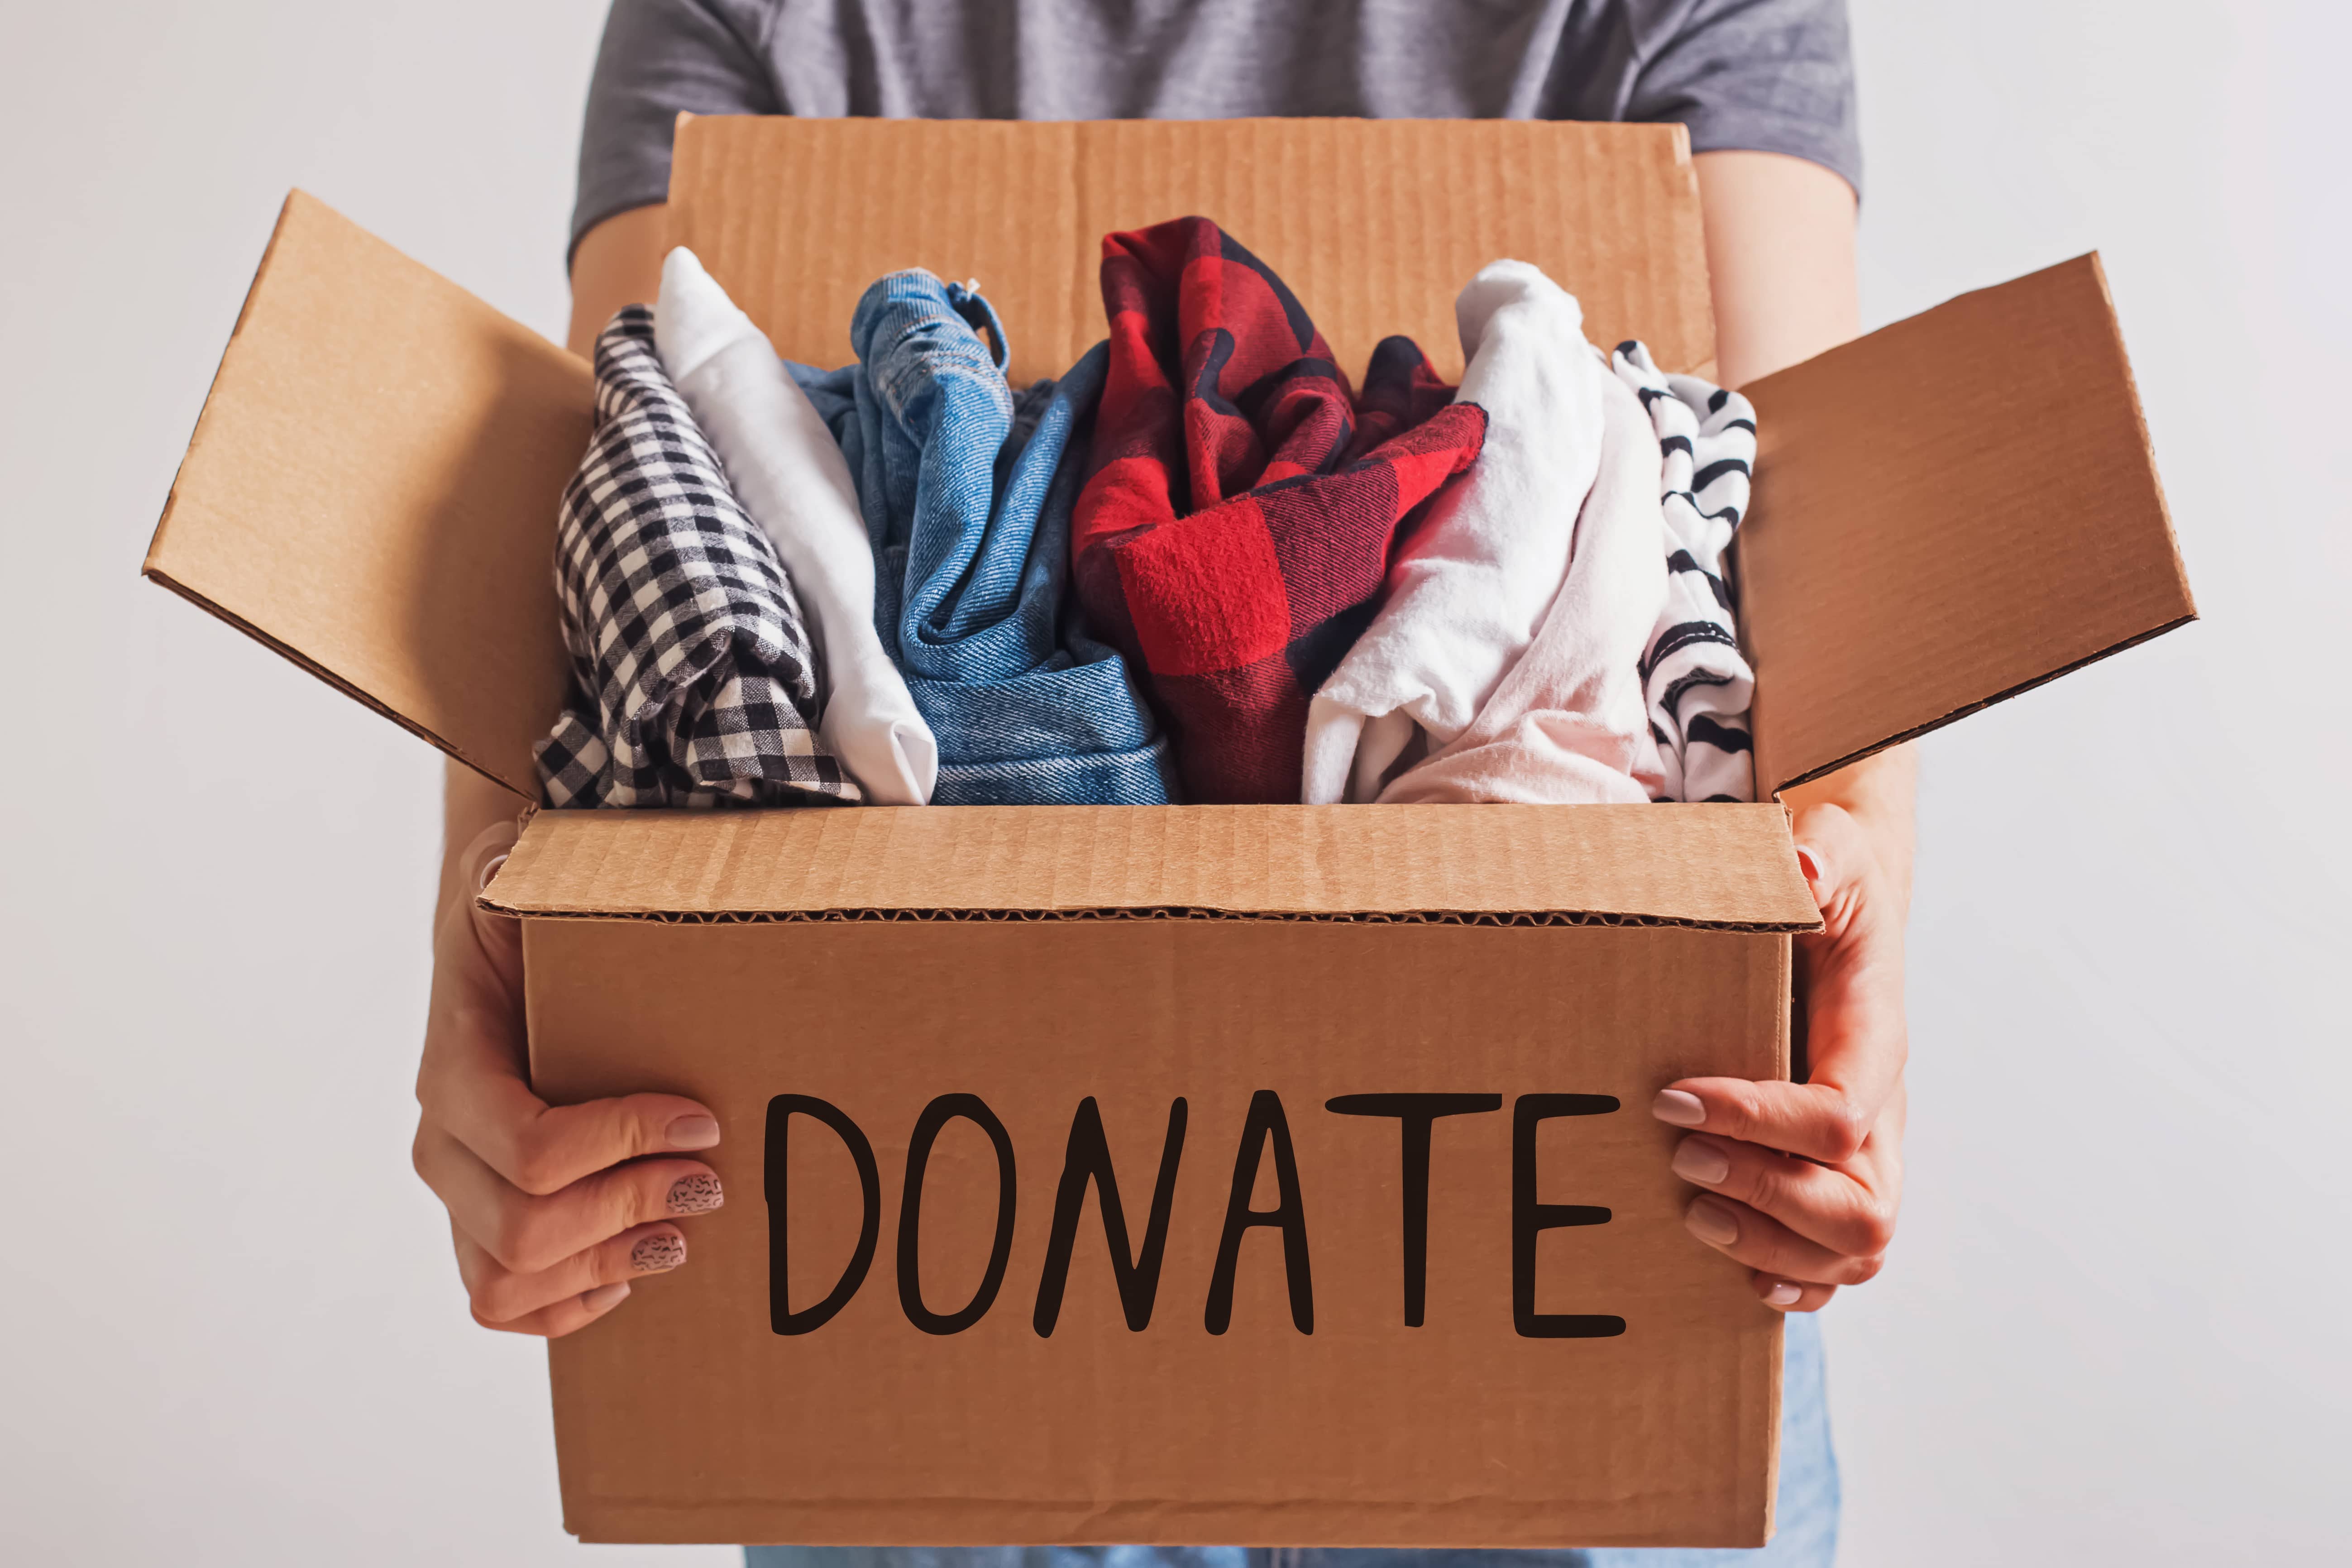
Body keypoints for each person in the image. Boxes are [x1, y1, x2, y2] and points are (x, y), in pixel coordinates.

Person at [411, 4, 1912, 1563]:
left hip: (1574, 1225)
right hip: (936, 1252)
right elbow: (604, 527)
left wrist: (1855, 926)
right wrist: (491, 985)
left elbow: (1806, 534)